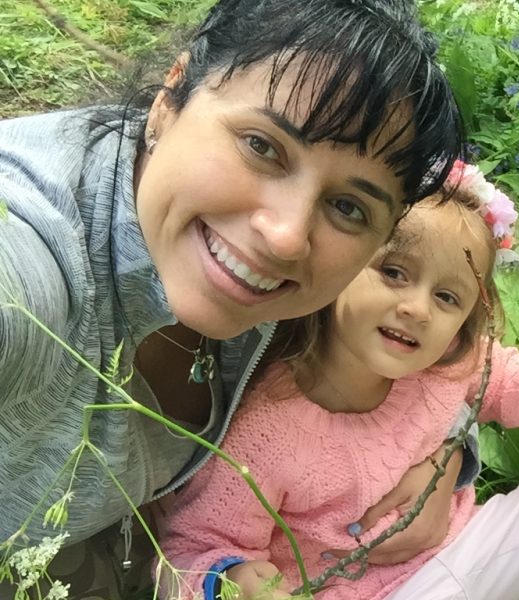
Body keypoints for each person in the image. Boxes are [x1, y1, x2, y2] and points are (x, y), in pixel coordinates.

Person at [0, 0, 477, 595]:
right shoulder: (32, 257)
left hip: (119, 543)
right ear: (169, 99)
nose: (287, 236)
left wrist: (444, 453)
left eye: (348, 206)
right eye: (262, 146)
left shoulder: (331, 282)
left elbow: (447, 341)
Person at [158, 161, 519, 600]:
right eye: (394, 272)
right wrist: (231, 578)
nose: (417, 309)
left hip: (467, 551)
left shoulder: (440, 366)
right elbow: (193, 545)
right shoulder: (266, 431)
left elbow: (500, 370)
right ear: (340, 267)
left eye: (447, 297)